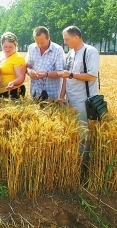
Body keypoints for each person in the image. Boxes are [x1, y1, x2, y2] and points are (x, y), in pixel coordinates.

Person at [58, 25, 100, 172]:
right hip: (70, 99)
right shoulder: (70, 53)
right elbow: (65, 76)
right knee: (73, 132)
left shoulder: (90, 51)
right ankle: (73, 164)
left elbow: (92, 75)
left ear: (76, 37)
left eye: (67, 39)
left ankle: (83, 167)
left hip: (83, 101)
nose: (65, 42)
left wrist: (70, 75)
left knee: (83, 134)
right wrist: (61, 96)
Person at [26, 26, 65, 100]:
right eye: (37, 42)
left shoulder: (58, 50)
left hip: (51, 94)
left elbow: (60, 72)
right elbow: (28, 66)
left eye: (42, 42)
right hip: (35, 91)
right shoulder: (31, 48)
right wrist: (29, 71)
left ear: (48, 38)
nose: (40, 45)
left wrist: (46, 74)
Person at [0, 32, 26, 99]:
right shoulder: (1, 55)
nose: (7, 49)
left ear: (15, 46)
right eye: (5, 46)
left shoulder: (18, 58)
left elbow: (21, 77)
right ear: (1, 45)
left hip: (13, 91)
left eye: (10, 47)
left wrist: (13, 83)